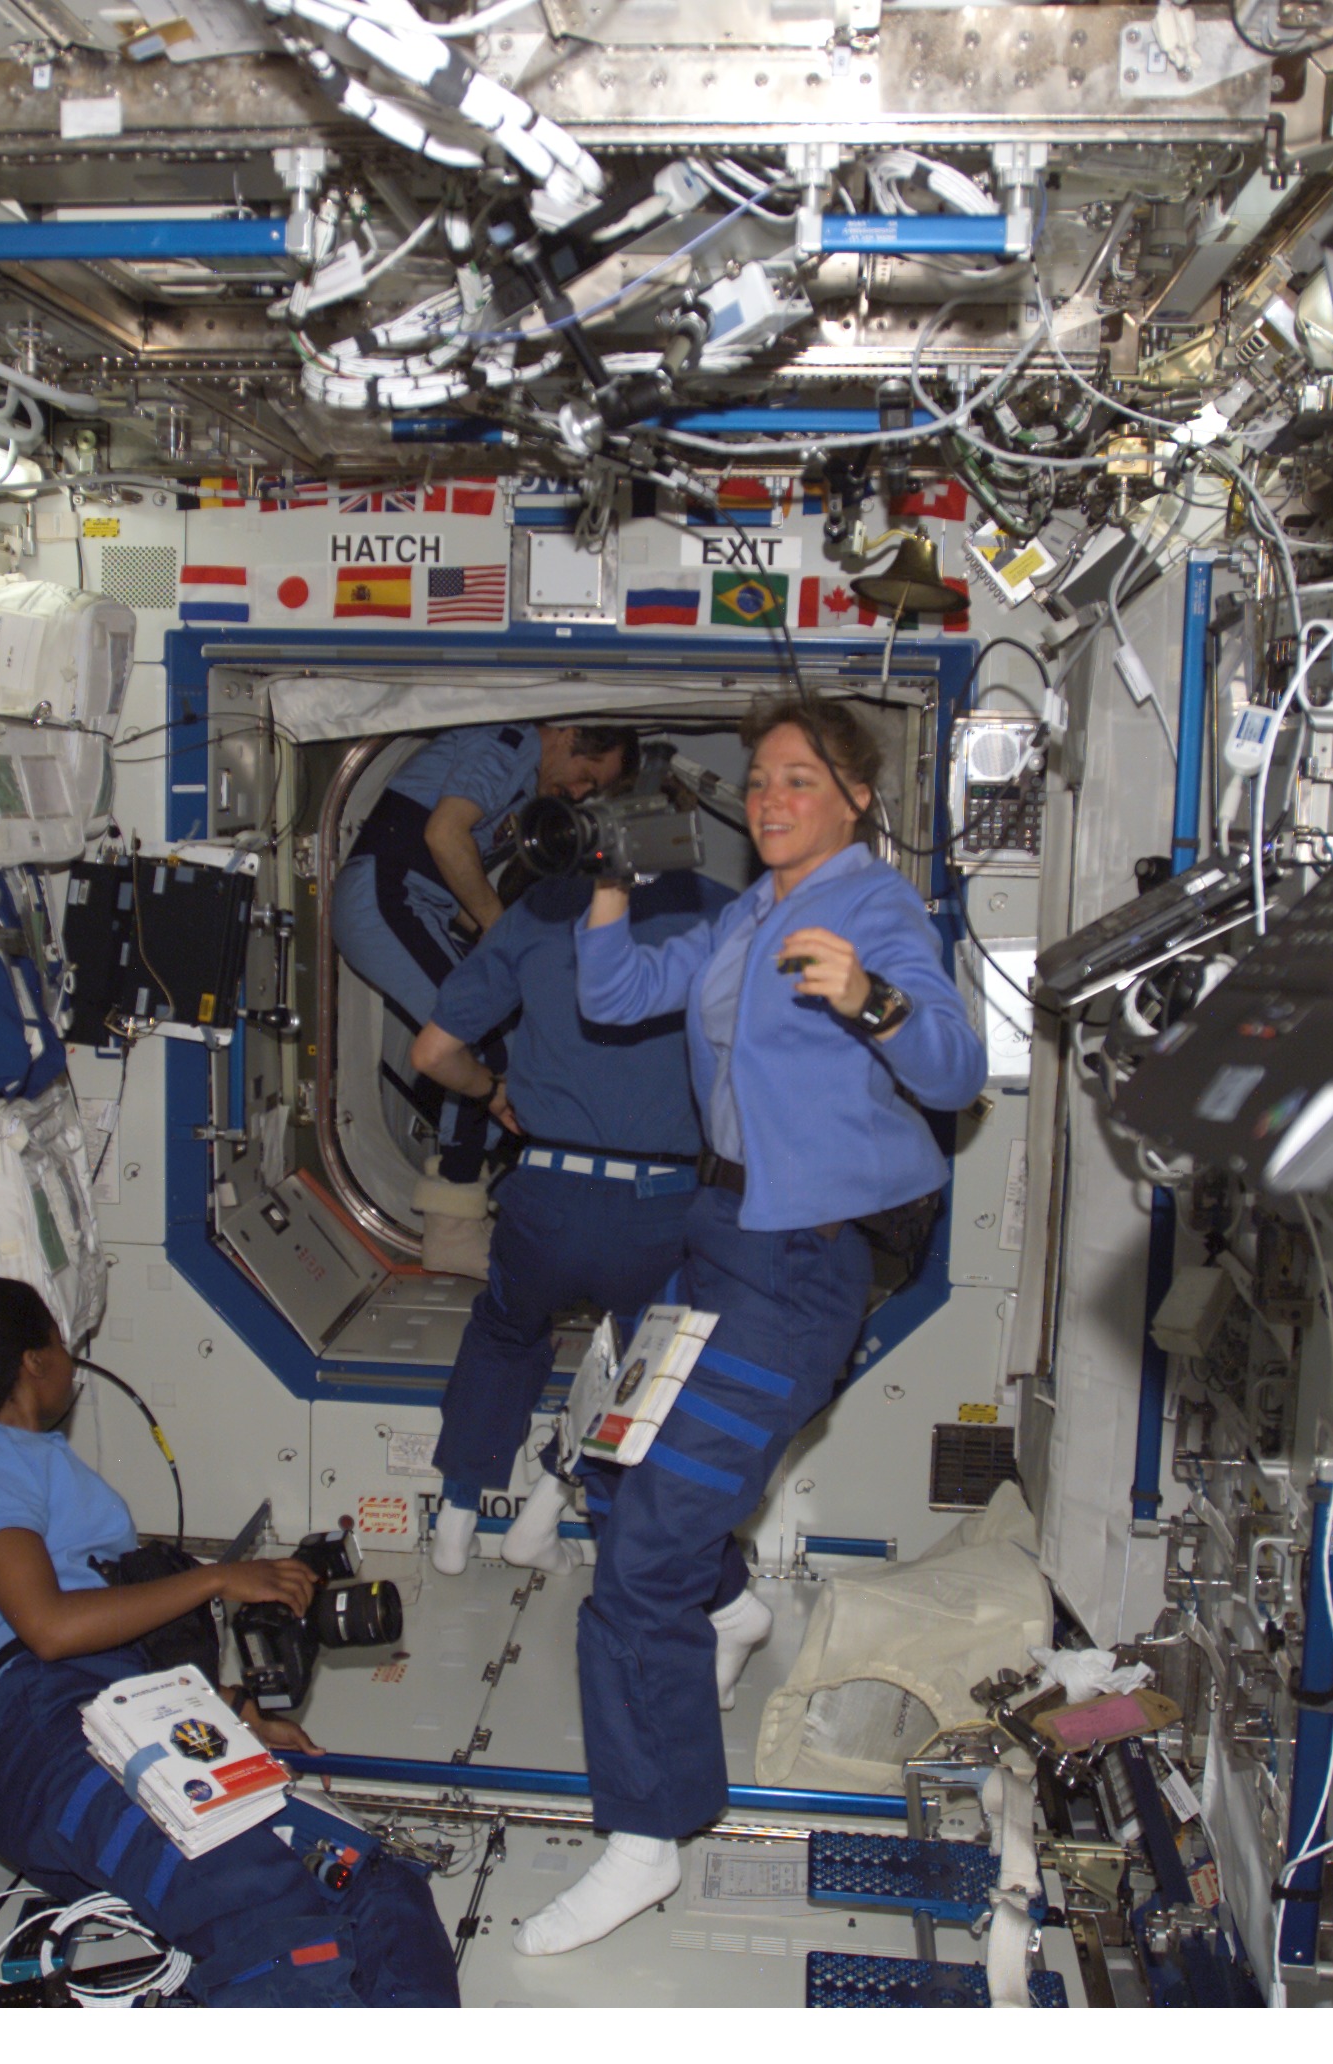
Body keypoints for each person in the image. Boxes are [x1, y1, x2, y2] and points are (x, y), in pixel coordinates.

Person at [517, 695, 988, 1957]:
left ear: (855, 800)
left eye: (798, 779)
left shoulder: (874, 910)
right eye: (760, 780)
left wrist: (871, 998)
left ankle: (644, 1838)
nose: (770, 799)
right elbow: (618, 997)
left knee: (642, 1557)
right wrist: (609, 885)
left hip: (803, 1263)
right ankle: (731, 1612)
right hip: (718, 1242)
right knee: (619, 1475)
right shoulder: (747, 912)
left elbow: (953, 1067)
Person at [0, 1278, 459, 2006]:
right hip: (57, 1726)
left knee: (374, 1886)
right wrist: (219, 1579)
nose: (72, 1363)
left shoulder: (24, 1459)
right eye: (65, 1346)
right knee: (277, 1925)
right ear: (35, 1361)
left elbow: (112, 1638)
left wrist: (230, 1715)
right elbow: (52, 1628)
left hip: (125, 1713)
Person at [406, 865, 737, 1577]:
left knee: (502, 1331)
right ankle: (549, 1504)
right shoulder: (725, 911)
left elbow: (430, 1053)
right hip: (659, 1202)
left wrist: (493, 1092)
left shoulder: (539, 909)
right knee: (639, 1357)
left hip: (547, 1193)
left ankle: (456, 1520)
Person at [334, 722, 636, 1220]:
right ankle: (453, 1218)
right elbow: (445, 836)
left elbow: (458, 884)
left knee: (513, 1032)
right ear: (566, 734)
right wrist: (502, 934)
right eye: (586, 776)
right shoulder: (505, 744)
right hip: (386, 896)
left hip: (419, 903)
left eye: (593, 791)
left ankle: (478, 1188)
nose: (580, 793)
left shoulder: (524, 788)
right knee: (476, 1035)